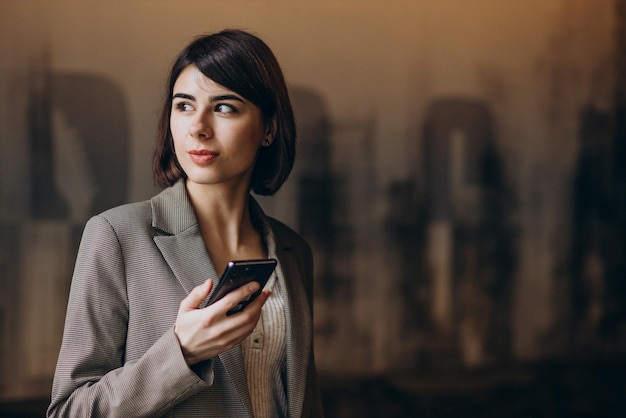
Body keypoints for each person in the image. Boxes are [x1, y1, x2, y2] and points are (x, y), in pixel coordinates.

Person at [47, 29, 323, 417]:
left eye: (225, 107)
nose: (198, 127)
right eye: (184, 105)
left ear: (269, 128)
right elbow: (69, 411)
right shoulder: (118, 236)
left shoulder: (292, 251)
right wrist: (182, 351)